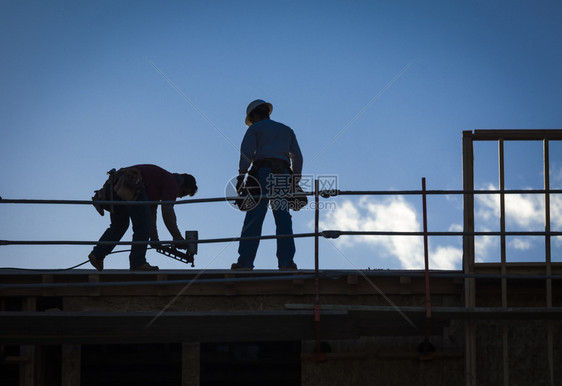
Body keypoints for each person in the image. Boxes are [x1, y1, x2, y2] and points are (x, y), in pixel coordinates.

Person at [232, 99, 303, 270]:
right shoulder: (286, 130)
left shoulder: (255, 129)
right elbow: (297, 157)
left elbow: (246, 154)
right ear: (267, 112)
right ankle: (286, 263)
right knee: (283, 217)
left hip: (262, 173)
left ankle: (245, 263)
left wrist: (241, 175)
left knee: (254, 217)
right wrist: (295, 179)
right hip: (282, 174)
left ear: (255, 115)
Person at [89, 164, 197, 271]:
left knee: (119, 225)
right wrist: (177, 238)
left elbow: (151, 214)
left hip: (116, 184)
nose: (178, 196)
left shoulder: (157, 184)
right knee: (142, 226)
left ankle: (97, 254)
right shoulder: (172, 183)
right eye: (182, 192)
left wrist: (154, 239)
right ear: (181, 183)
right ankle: (137, 263)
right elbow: (168, 213)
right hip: (131, 183)